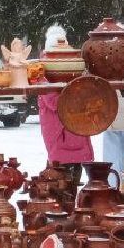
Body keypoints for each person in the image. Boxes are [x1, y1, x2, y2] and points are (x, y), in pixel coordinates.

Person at [37, 27, 93, 188]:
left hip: (76, 135)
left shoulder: (74, 72)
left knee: (72, 183)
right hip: (60, 138)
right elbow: (55, 103)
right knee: (59, 184)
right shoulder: (42, 77)